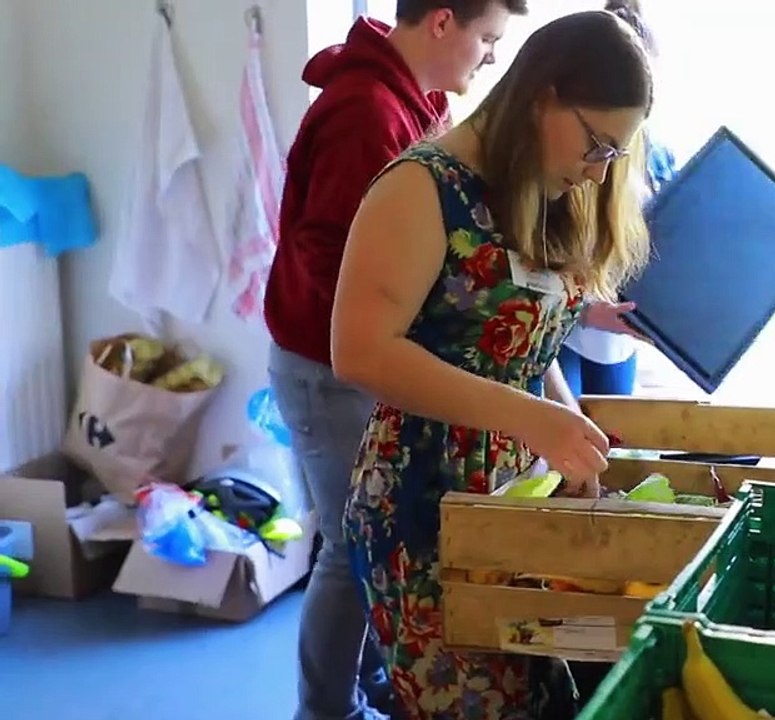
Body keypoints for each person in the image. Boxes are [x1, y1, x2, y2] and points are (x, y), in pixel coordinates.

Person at [330, 10, 653, 718]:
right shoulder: (421, 187)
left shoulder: (544, 188)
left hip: (516, 497)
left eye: (614, 157)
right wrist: (531, 418)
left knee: (545, 700)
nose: (598, 171)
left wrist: (564, 424)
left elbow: (524, 350)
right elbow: (359, 349)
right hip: (426, 507)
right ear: (543, 95)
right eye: (598, 144)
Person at [263, 2, 525, 719]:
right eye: (488, 40)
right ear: (443, 22)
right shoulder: (366, 115)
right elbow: (326, 255)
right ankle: (325, 710)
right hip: (328, 366)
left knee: (382, 543)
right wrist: (404, 330)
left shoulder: (420, 104)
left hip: (369, 362)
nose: (491, 58)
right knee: (349, 548)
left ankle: (382, 685)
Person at [557, 0, 678, 399]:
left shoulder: (657, 156)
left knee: (614, 439)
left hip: (620, 328)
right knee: (562, 430)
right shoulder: (568, 153)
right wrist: (585, 311)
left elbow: (672, 242)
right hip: (568, 324)